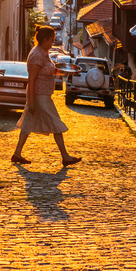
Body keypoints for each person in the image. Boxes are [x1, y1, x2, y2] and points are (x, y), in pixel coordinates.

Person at [11, 25, 81, 167]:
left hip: (41, 96)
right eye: (51, 40)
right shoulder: (37, 55)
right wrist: (31, 101)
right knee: (56, 123)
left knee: (27, 124)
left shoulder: (43, 52)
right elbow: (31, 79)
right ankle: (65, 157)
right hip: (40, 97)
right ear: (44, 40)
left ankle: (17, 154)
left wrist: (66, 72)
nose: (53, 42)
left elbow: (50, 71)